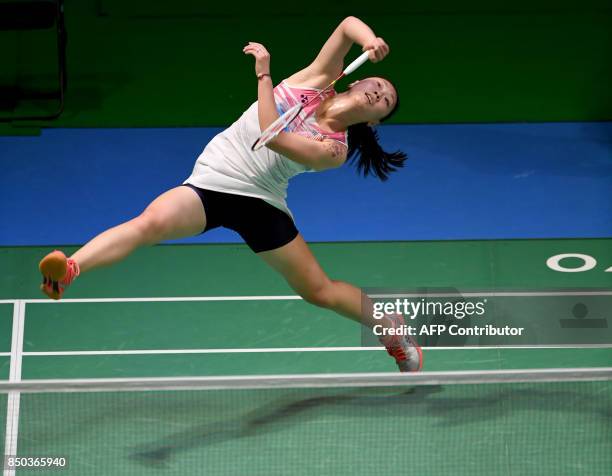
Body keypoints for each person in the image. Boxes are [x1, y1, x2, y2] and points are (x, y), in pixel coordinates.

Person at [38, 16, 422, 372]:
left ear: (374, 121)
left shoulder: (334, 150)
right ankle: (71, 269)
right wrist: (369, 40)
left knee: (319, 291)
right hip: (215, 180)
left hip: (262, 202)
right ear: (355, 80)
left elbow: (271, 135)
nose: (378, 92)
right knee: (149, 224)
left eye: (385, 100)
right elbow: (347, 25)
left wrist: (265, 76)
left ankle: (390, 326)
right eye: (377, 84)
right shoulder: (319, 77)